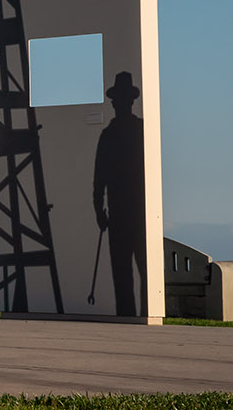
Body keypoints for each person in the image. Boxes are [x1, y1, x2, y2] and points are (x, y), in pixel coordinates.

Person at [93, 71, 146, 317]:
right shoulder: (140, 131)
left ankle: (128, 316)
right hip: (135, 214)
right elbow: (99, 179)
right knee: (138, 272)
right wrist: (99, 211)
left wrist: (99, 211)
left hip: (124, 215)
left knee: (124, 275)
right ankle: (136, 315)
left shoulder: (110, 135)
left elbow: (99, 180)